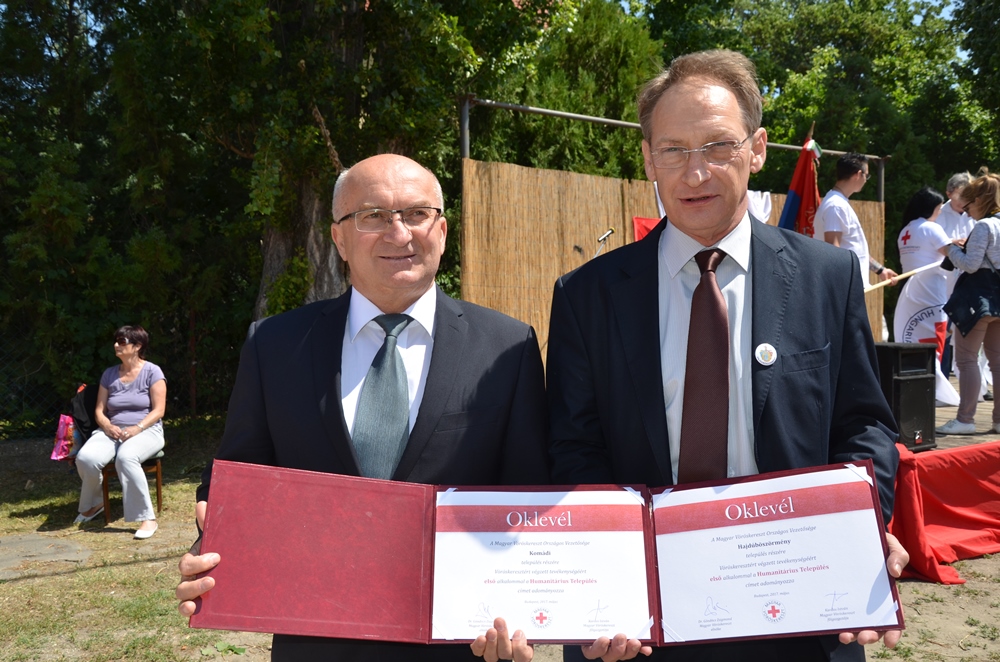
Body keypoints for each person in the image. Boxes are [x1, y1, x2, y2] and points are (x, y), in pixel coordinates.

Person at [475, 50, 907, 662]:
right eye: (673, 150)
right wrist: (605, 580)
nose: (695, 172)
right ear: (648, 157)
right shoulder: (586, 295)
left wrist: (861, 527)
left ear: (757, 149)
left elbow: (863, 423)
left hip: (798, 614)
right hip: (638, 627)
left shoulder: (827, 276)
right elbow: (574, 447)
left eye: (718, 146)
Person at [175, 153, 549, 661]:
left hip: (461, 642)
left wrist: (525, 605)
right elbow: (239, 477)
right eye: (373, 216)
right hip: (317, 642)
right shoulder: (276, 346)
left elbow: (528, 496)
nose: (399, 233)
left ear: (441, 231)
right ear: (339, 239)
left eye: (417, 214)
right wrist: (211, 542)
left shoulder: (507, 347)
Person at [74, 325, 165, 539]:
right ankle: (96, 503)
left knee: (126, 457)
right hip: (112, 430)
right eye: (116, 341)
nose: (116, 345)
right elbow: (99, 411)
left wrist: (137, 428)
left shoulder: (153, 372)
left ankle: (147, 518)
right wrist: (107, 426)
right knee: (86, 458)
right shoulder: (109, 374)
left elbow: (159, 410)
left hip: (147, 430)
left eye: (122, 341)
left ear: (137, 346)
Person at [936, 169, 1000, 436]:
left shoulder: (984, 226)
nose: (966, 211)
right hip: (998, 301)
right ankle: (998, 421)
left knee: (966, 359)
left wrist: (949, 248)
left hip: (978, 301)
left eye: (969, 205)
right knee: (997, 362)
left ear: (981, 200)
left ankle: (965, 419)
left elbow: (971, 265)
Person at [893, 187, 958, 404]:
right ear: (932, 208)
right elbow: (952, 255)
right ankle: (936, 389)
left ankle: (919, 386)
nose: (939, 212)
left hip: (909, 291)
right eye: (939, 208)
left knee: (912, 339)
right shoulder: (932, 228)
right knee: (935, 338)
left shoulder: (905, 231)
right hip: (931, 291)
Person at [815, 153, 899, 285]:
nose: (866, 180)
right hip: (845, 288)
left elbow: (854, 248)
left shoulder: (838, 203)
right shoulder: (836, 206)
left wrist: (880, 270)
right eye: (867, 175)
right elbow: (832, 252)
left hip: (850, 287)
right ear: (858, 174)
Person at [936, 172, 974, 379]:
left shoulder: (974, 213)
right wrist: (953, 242)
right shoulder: (939, 213)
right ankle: (942, 376)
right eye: (961, 195)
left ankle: (974, 382)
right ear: (949, 193)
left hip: (968, 279)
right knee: (945, 330)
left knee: (969, 332)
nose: (965, 201)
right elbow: (933, 241)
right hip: (944, 279)